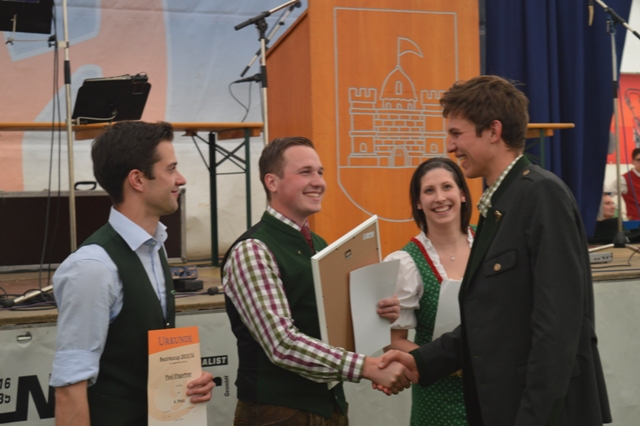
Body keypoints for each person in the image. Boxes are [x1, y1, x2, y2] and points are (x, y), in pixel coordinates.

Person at [380, 75, 611, 425]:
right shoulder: (502, 204)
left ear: (493, 131)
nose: (450, 146)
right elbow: (494, 320)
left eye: (457, 133)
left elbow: (556, 330)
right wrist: (422, 361)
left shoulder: (540, 195)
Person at [222, 136, 417, 425]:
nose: (318, 182)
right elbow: (282, 344)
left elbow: (333, 330)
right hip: (277, 413)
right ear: (272, 182)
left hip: (329, 407)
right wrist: (368, 367)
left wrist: (376, 314)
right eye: (305, 172)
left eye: (320, 172)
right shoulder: (252, 250)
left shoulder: (321, 245)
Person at [50, 121, 214, 425]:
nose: (180, 179)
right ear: (137, 179)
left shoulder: (155, 248)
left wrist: (185, 383)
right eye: (171, 169)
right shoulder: (92, 267)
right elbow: (69, 390)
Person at [384, 157, 473, 425]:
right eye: (429, 191)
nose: (440, 198)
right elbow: (394, 340)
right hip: (438, 397)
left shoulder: (491, 242)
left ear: (462, 194)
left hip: (493, 388)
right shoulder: (405, 262)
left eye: (447, 187)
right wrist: (441, 362)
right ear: (418, 203)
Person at [617, 147, 640, 220]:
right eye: (639, 160)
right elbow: (607, 194)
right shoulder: (624, 179)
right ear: (632, 161)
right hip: (635, 223)